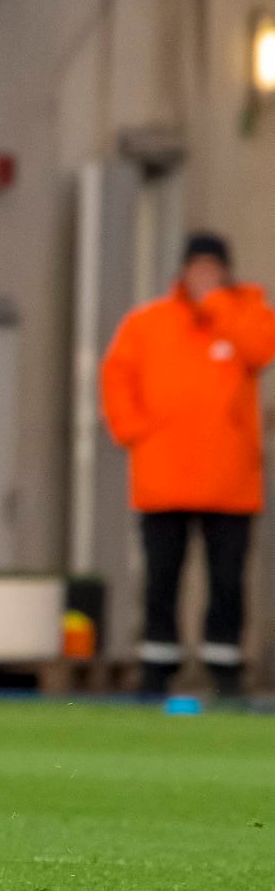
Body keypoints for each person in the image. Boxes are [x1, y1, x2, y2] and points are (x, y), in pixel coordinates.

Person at [100, 231, 275, 699]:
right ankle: (157, 666)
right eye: (196, 267)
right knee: (161, 576)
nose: (204, 276)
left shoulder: (248, 316)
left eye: (212, 268)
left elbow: (261, 351)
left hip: (229, 481)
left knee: (226, 580)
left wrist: (218, 305)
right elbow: (117, 376)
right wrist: (134, 431)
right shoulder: (148, 324)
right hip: (164, 477)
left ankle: (225, 667)